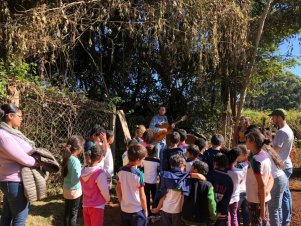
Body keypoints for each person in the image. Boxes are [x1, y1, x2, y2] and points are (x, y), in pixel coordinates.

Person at [0, 103, 40, 226]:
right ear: (10, 116)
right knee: (19, 218)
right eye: (19, 116)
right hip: (14, 181)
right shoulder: (4, 135)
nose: (21, 118)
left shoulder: (11, 133)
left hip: (10, 181)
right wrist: (38, 163)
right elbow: (22, 158)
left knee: (7, 216)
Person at [269, 108, 294, 226]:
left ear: (279, 117)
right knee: (286, 194)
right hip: (287, 164)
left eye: (273, 116)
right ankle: (287, 220)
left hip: (282, 167)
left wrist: (266, 147)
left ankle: (284, 222)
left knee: (282, 196)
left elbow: (275, 152)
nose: (272, 119)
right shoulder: (288, 130)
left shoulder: (281, 132)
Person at [245, 129, 274, 226]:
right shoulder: (265, 154)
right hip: (262, 199)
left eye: (247, 140)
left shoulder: (255, 160)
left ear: (252, 142)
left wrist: (262, 210)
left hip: (256, 201)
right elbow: (271, 178)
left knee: (257, 223)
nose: (245, 142)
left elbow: (261, 186)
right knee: (265, 222)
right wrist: (266, 192)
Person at [151, 154, 188, 226]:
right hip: (178, 211)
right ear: (182, 165)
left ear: (171, 165)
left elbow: (163, 196)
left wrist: (158, 208)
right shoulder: (186, 178)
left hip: (165, 209)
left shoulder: (166, 176)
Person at [116, 143, 148, 226]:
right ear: (137, 159)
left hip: (124, 209)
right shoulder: (139, 174)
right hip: (136, 211)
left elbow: (118, 189)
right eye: (143, 159)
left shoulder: (120, 171)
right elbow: (142, 196)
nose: (143, 161)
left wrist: (121, 202)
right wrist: (145, 210)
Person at [261, 128, 287, 226]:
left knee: (273, 210)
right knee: (277, 208)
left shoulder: (263, 151)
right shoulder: (268, 148)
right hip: (281, 178)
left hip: (276, 180)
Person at [80, 144, 110, 226]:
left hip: (85, 205)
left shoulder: (83, 170)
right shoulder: (99, 173)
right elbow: (104, 191)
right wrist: (108, 199)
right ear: (100, 157)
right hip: (97, 206)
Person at [182, 160, 217, 226]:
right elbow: (211, 203)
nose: (190, 169)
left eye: (192, 167)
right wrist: (213, 216)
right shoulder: (208, 185)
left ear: (195, 170)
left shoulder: (186, 182)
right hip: (201, 220)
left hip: (187, 217)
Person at [62, 135, 85, 226]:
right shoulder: (75, 161)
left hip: (66, 189)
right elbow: (75, 179)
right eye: (82, 146)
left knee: (67, 212)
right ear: (78, 148)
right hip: (74, 190)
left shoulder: (67, 157)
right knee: (73, 214)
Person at [207, 153, 233, 226]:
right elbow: (227, 198)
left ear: (215, 163)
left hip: (208, 212)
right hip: (222, 214)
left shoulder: (208, 175)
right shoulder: (229, 179)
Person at [226, 148, 244, 226]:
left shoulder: (225, 171)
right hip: (236, 197)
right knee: (234, 216)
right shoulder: (240, 171)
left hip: (226, 198)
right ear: (236, 159)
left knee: (227, 217)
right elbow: (241, 181)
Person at [142, 145, 160, 218]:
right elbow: (159, 169)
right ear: (155, 152)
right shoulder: (157, 161)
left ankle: (147, 212)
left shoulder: (144, 160)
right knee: (154, 197)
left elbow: (142, 168)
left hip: (145, 181)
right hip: (153, 182)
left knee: (146, 197)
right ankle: (154, 212)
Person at [236, 144, 250, 226]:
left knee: (236, 210)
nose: (237, 157)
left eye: (239, 155)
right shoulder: (250, 164)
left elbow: (239, 179)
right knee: (246, 211)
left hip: (240, 190)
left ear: (244, 155)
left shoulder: (240, 165)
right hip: (248, 190)